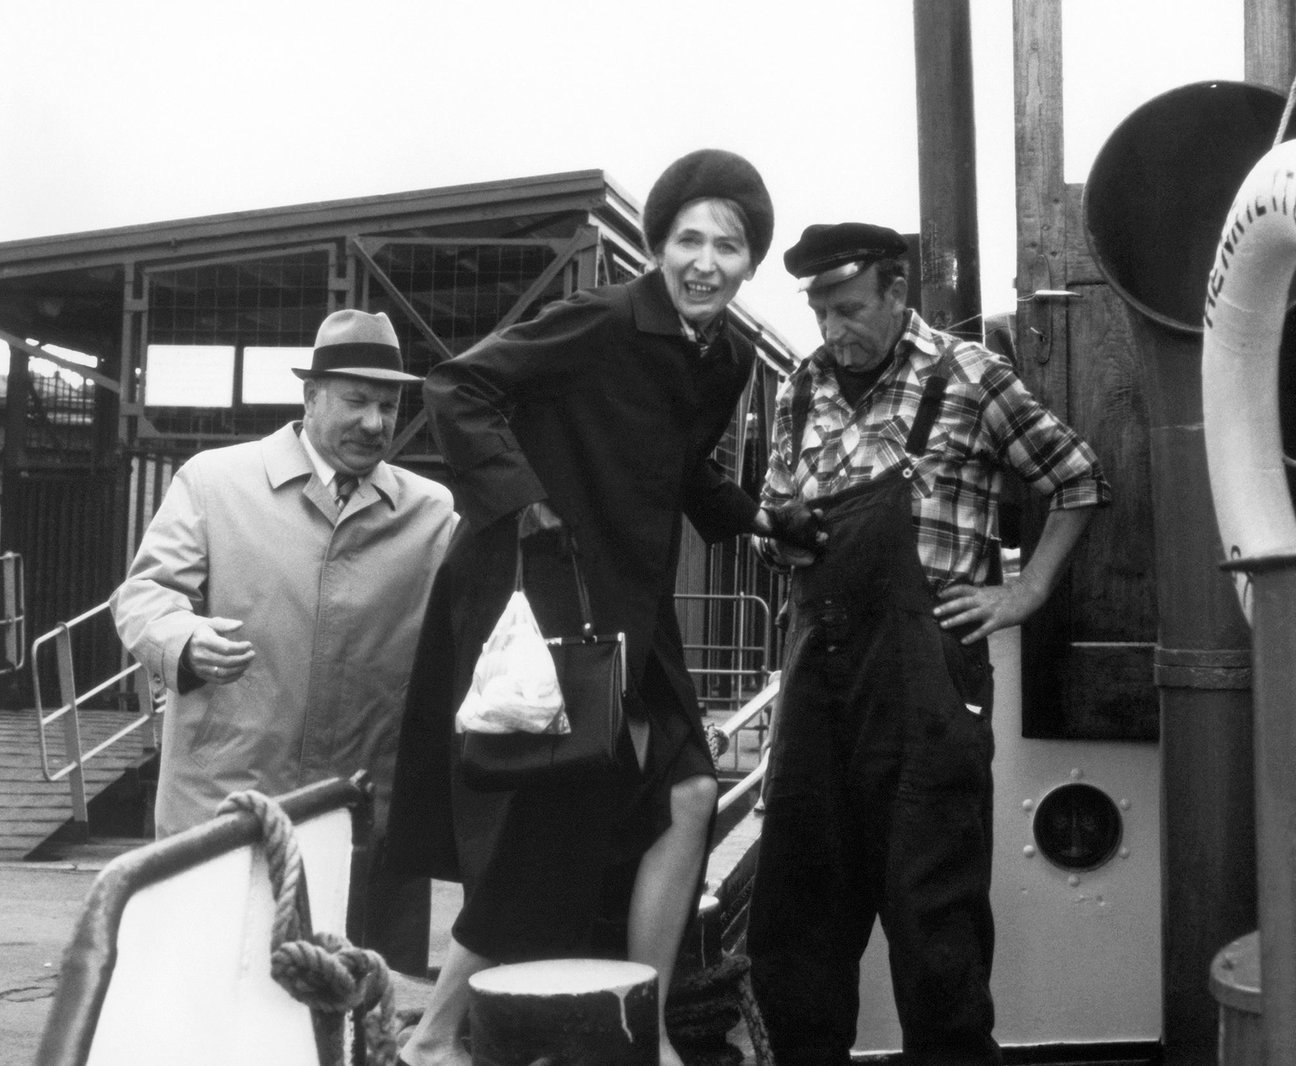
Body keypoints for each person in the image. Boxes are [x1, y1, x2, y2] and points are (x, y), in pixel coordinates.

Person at [389, 148, 797, 1066]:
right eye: (687, 240)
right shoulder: (603, 320)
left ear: (749, 263)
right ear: (658, 246)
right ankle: (436, 1034)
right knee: (553, 813)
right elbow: (460, 386)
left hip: (633, 606)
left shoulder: (727, 358)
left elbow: (683, 469)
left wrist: (760, 518)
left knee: (692, 792)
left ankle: (644, 1030)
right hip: (536, 592)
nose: (704, 262)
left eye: (727, 246)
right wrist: (525, 503)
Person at [747, 222, 1112, 1065]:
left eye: (849, 308)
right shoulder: (800, 389)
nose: (832, 329)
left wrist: (1025, 592)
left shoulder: (968, 376)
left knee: (933, 921)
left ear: (896, 289)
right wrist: (781, 534)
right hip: (817, 684)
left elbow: (1078, 477)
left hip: (928, 691)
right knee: (799, 919)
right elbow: (768, 524)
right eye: (820, 311)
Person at [110, 308, 457, 971]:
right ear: (311, 395)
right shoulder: (214, 482)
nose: (375, 422)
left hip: (362, 820)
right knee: (213, 993)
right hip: (223, 808)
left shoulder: (431, 514)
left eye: (388, 405)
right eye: (356, 401)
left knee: (350, 1001)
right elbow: (144, 595)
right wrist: (184, 638)